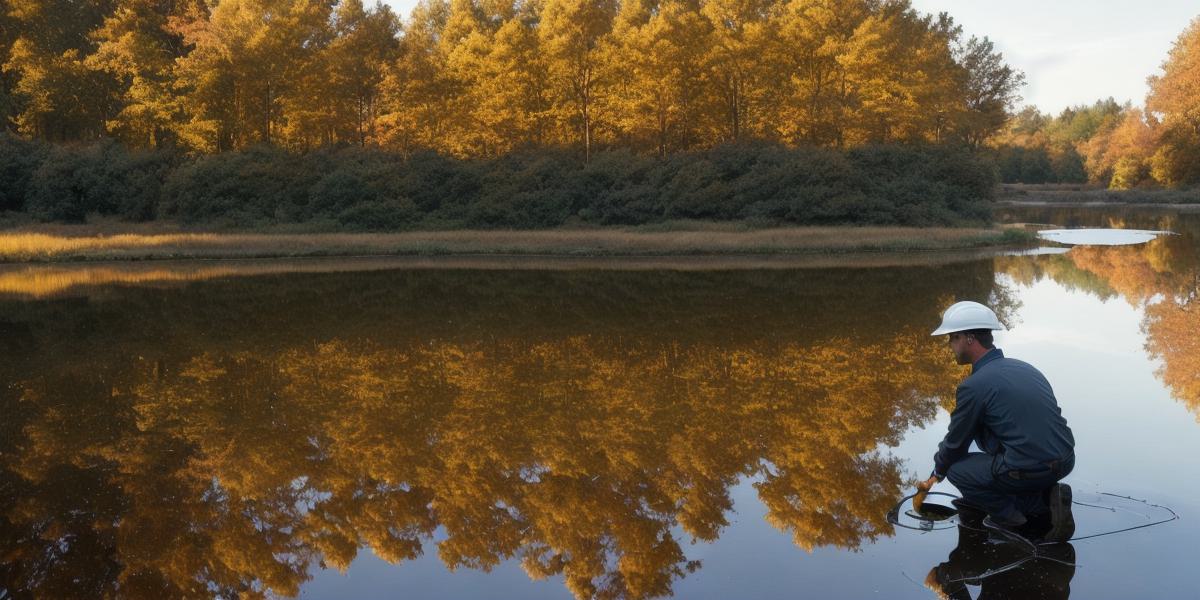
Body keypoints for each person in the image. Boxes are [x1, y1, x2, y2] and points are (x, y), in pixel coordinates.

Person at [916, 301, 1076, 543]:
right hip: (1064, 461)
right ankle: (1047, 494)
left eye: (952, 338)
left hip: (1032, 467)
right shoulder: (1025, 368)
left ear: (969, 339)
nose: (949, 345)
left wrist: (937, 473)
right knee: (996, 443)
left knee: (958, 470)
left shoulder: (974, 386)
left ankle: (1015, 516)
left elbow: (956, 443)